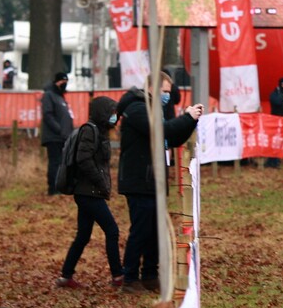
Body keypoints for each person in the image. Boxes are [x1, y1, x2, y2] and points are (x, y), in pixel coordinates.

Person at [117, 71, 203, 294]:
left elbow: (172, 138)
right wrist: (186, 117)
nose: (167, 96)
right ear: (152, 88)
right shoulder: (137, 109)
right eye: (164, 91)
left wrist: (189, 122)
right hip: (139, 180)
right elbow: (161, 130)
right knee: (141, 230)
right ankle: (130, 278)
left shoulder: (154, 109)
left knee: (155, 230)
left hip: (153, 180)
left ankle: (149, 275)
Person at [55, 96, 123, 289]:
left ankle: (66, 276)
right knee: (112, 230)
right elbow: (83, 159)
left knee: (83, 235)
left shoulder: (99, 132)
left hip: (89, 192)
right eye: (111, 113)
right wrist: (100, 182)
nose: (115, 117)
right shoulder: (90, 131)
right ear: (103, 113)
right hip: (88, 192)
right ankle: (118, 275)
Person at [41, 72, 74, 196]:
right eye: (62, 82)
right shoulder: (49, 95)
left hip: (63, 136)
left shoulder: (60, 97)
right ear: (56, 82)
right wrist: (59, 130)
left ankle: (61, 187)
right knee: (55, 162)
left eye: (66, 82)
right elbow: (48, 115)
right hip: (54, 137)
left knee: (62, 163)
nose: (64, 84)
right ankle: (53, 189)